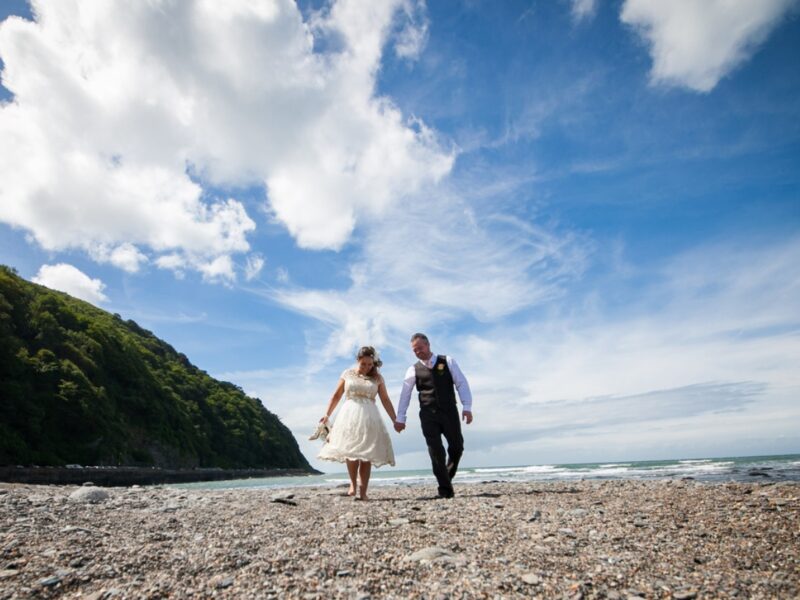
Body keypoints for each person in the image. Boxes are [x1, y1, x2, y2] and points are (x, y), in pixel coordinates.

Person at [394, 333, 473, 499]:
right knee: (436, 451)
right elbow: (405, 394)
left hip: (449, 412)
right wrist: (401, 418)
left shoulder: (447, 361)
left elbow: (461, 383)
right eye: (415, 350)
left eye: (420, 348)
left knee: (457, 447)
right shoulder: (413, 369)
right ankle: (445, 490)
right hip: (428, 414)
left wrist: (467, 406)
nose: (418, 352)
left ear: (428, 344)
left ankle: (446, 477)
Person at [318, 346, 397, 501]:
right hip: (349, 415)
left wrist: (395, 420)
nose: (367, 367)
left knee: (367, 454)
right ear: (357, 360)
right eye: (363, 364)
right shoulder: (347, 374)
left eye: (370, 364)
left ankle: (363, 491)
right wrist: (327, 414)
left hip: (370, 418)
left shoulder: (378, 378)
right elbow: (336, 395)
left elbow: (385, 400)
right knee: (351, 450)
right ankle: (353, 484)